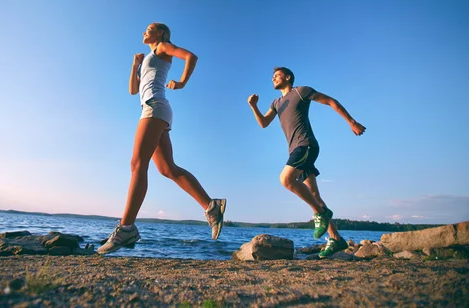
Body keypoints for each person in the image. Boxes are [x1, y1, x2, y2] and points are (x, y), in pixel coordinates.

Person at [98, 23, 226, 254]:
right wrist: (135, 66)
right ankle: (211, 206)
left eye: (149, 29)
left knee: (137, 164)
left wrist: (182, 82)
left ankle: (126, 228)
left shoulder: (162, 47)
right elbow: (132, 90)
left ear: (161, 33)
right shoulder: (149, 56)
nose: (144, 32)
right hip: (153, 108)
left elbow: (190, 56)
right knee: (167, 169)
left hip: (154, 108)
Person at [247, 67, 366, 258]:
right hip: (295, 150)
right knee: (313, 194)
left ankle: (321, 213)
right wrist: (254, 106)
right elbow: (263, 123)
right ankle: (336, 239)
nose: (273, 79)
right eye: (272, 77)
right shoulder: (276, 103)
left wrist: (351, 122)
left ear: (288, 77)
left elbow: (330, 101)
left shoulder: (300, 92)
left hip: (306, 146)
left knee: (286, 179)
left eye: (276, 76)